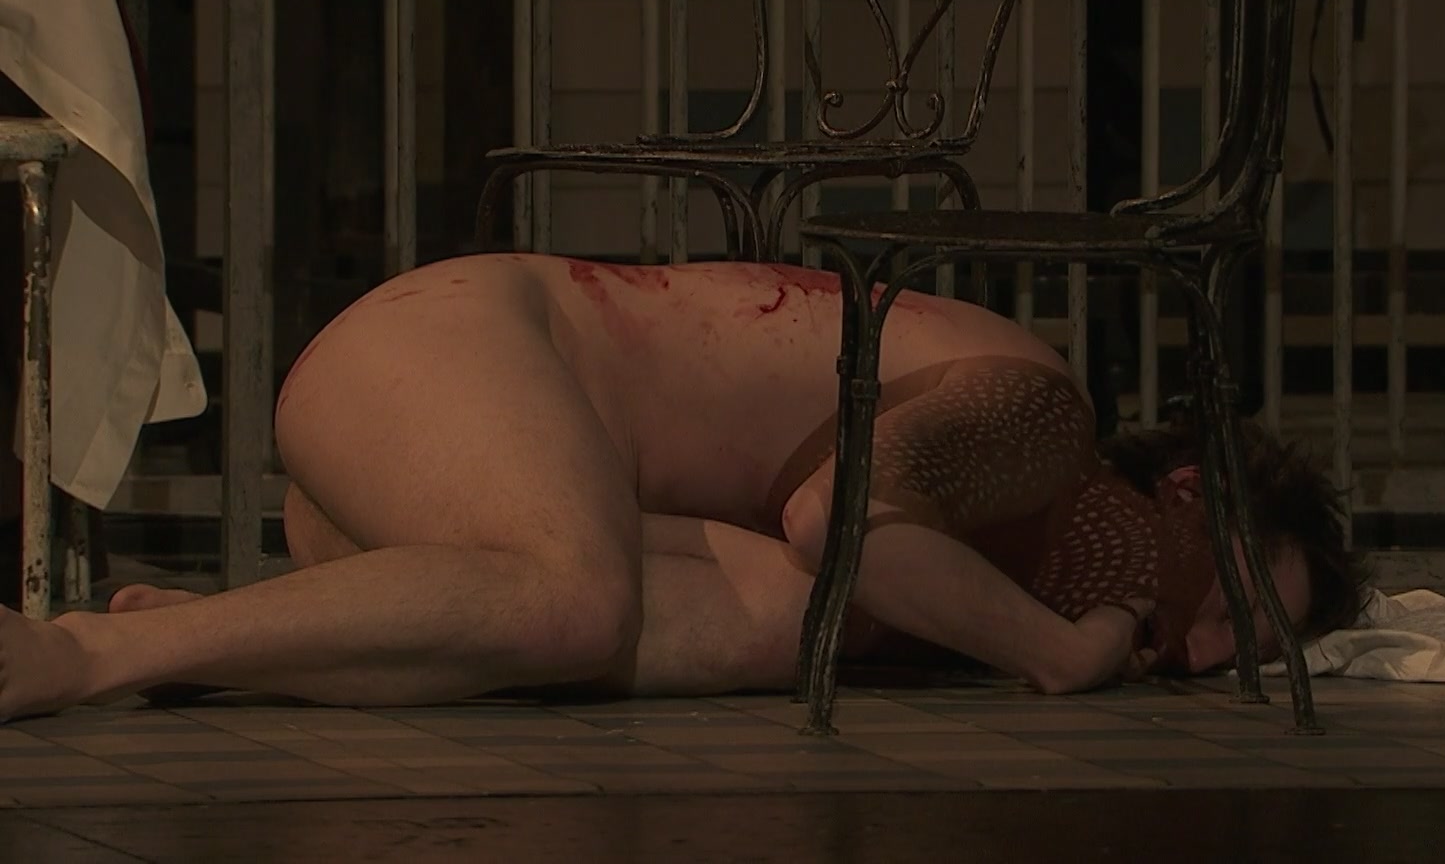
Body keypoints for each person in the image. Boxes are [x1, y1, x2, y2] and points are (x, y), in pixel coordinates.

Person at [0, 254, 1367, 720]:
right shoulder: (1039, 409)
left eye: (1244, 652)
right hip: (457, 347)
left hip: (462, 473)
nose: (1200, 655)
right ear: (1184, 488)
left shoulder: (985, 532)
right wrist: (1063, 649)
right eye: (1231, 608)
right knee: (578, 602)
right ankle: (87, 654)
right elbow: (842, 522)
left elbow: (826, 563)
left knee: (786, 625)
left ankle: (228, 637)